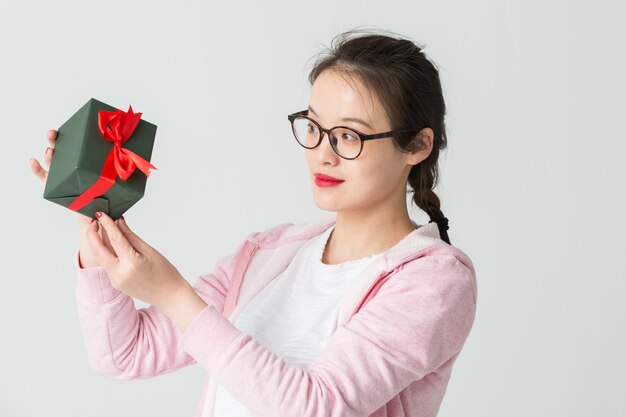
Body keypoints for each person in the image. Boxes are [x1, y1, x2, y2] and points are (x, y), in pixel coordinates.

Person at [29, 28, 477, 417]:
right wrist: (90, 203)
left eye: (348, 136)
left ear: (417, 146)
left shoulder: (434, 280)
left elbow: (319, 407)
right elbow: (122, 354)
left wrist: (171, 293)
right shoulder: (269, 254)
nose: (322, 152)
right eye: (314, 127)